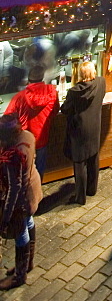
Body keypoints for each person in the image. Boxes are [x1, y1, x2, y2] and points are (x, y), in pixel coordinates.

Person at [0, 112, 42, 286]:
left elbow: (14, 189)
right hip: (33, 187)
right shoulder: (28, 136)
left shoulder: (13, 155)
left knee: (20, 231)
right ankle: (28, 263)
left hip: (22, 199)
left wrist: (6, 217)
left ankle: (19, 275)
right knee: (29, 222)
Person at [61, 60, 106, 205]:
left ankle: (80, 197)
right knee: (93, 156)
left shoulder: (74, 92)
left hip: (79, 130)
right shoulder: (101, 83)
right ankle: (92, 189)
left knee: (79, 162)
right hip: (94, 127)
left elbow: (65, 109)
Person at [6, 64, 59, 180]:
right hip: (42, 138)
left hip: (24, 141)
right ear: (42, 78)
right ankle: (37, 194)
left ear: (28, 80)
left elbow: (7, 118)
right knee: (39, 171)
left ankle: (26, 195)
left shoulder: (19, 97)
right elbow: (55, 112)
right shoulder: (53, 92)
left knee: (23, 173)